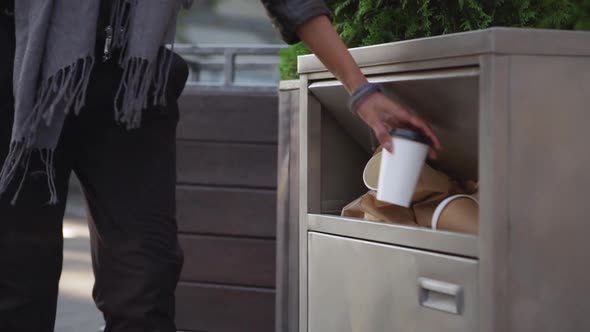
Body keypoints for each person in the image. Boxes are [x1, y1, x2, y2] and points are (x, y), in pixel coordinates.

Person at [0, 0, 441, 331]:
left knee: (145, 286)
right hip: (18, 72)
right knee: (18, 288)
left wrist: (361, 91)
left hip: (132, 84)